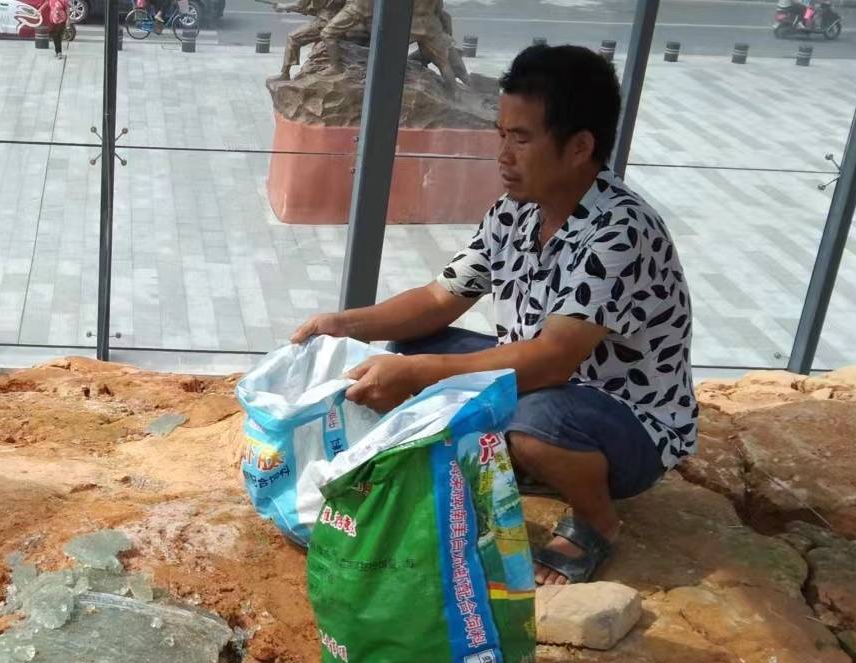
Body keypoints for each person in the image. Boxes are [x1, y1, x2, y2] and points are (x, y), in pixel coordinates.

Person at [290, 44, 697, 586]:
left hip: (628, 422)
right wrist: (342, 324)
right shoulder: (515, 211)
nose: (502, 154)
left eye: (521, 139)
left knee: (533, 422)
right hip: (544, 387)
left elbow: (552, 360)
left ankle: (597, 520)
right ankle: (520, 459)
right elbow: (441, 299)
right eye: (501, 134)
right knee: (411, 348)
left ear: (580, 147)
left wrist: (418, 377)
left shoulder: (620, 231)